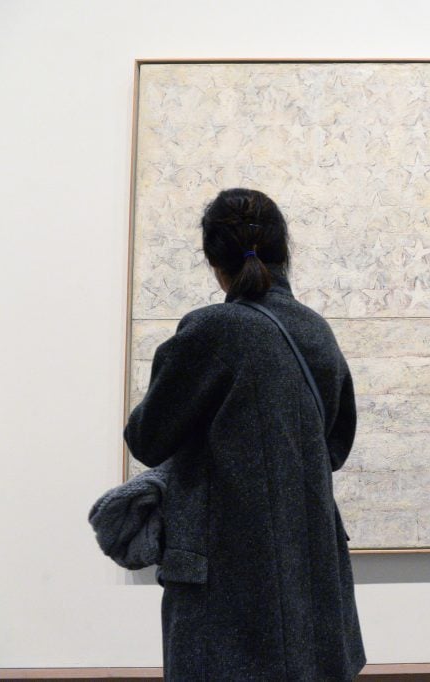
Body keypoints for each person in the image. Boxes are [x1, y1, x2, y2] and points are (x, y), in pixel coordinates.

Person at [123, 187, 366, 681]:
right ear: (284, 251)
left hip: (224, 580)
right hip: (308, 568)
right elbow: (334, 447)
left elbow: (147, 439)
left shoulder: (212, 330)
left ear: (214, 259)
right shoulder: (317, 332)